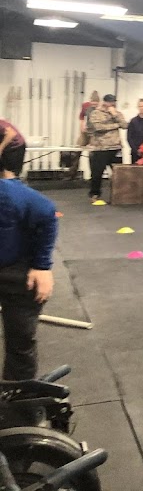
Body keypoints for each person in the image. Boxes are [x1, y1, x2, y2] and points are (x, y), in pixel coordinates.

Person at [0, 151, 57, 379]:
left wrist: (42, 266)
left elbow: (47, 213)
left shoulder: (12, 193)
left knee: (20, 340)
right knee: (21, 342)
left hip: (16, 271)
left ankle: (19, 394)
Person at [86, 94, 126, 202]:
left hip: (115, 147)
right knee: (97, 173)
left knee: (119, 173)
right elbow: (98, 127)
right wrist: (115, 125)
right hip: (101, 148)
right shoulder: (96, 113)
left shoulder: (117, 113)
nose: (112, 104)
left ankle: (119, 194)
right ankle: (95, 194)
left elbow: (124, 125)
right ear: (104, 102)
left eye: (113, 102)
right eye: (110, 102)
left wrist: (115, 115)